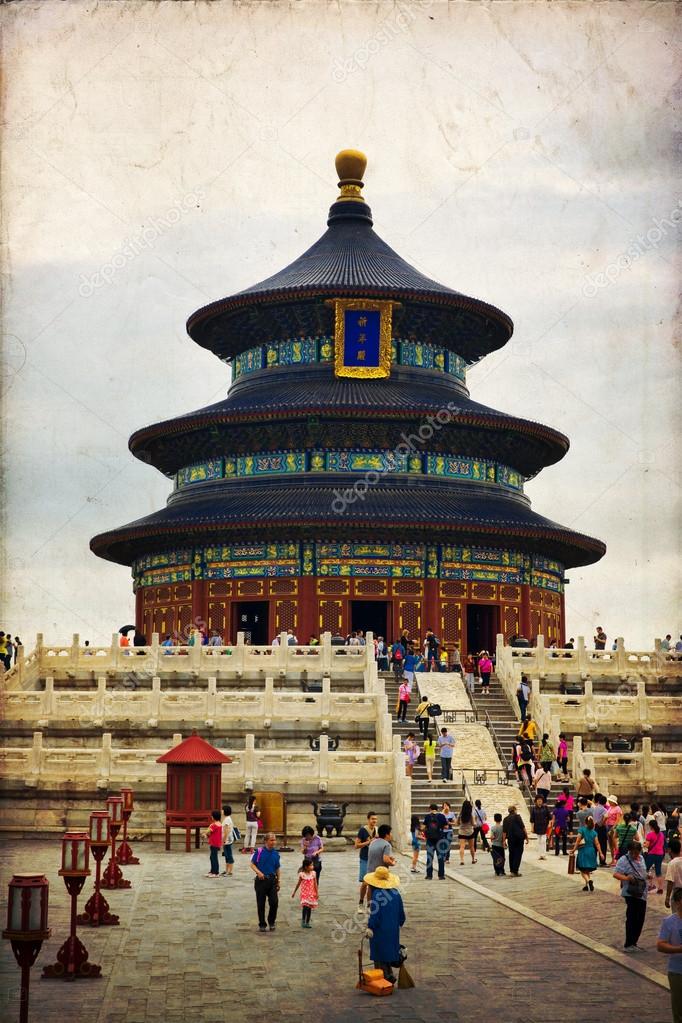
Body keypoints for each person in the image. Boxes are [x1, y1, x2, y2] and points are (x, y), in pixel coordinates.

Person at [364, 865, 405, 985]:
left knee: (380, 954)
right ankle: (390, 974)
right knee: (389, 952)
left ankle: (384, 978)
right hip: (393, 929)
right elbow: (401, 914)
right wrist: (399, 923)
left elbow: (375, 915)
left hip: (380, 929)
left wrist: (370, 927)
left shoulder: (377, 894)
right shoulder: (396, 893)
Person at [613, 839, 648, 951]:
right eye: (632, 852)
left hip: (641, 892)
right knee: (632, 916)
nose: (634, 855)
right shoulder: (624, 860)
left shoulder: (641, 858)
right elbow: (616, 874)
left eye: (636, 852)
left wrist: (647, 876)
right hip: (630, 892)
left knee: (640, 917)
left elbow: (642, 872)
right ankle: (629, 943)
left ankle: (634, 942)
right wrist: (626, 878)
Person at [657, 887, 682, 1023]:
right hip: (677, 972)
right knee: (679, 1009)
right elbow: (660, 945)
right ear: (678, 903)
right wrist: (678, 949)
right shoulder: (669, 922)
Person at [250, 832, 281, 932]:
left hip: (272, 880)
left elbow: (277, 868)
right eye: (271, 840)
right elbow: (252, 864)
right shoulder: (259, 852)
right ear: (266, 841)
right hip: (261, 881)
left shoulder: (276, 854)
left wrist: (278, 881)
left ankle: (271, 921)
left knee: (274, 902)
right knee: (261, 903)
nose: (273, 842)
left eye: (274, 840)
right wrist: (258, 872)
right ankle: (262, 924)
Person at [572, 815, 602, 892]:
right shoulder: (594, 832)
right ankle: (586, 885)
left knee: (582, 869)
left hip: (583, 850)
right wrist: (601, 853)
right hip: (591, 850)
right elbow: (597, 843)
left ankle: (589, 881)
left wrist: (574, 849)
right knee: (587, 869)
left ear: (585, 822)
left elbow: (578, 841)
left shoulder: (581, 830)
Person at [355, 811, 378, 908]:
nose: (374, 821)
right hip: (364, 858)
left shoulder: (377, 830)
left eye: (376, 819)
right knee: (365, 882)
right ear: (368, 819)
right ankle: (361, 901)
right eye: (373, 819)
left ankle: (369, 904)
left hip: (374, 859)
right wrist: (368, 842)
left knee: (372, 882)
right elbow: (356, 845)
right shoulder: (363, 830)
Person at [291, 856, 318, 929]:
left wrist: (316, 893)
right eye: (311, 865)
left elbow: (315, 883)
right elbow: (298, 883)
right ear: (306, 867)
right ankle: (303, 921)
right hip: (304, 893)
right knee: (305, 907)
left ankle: (307, 922)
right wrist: (294, 892)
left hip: (311, 893)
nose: (313, 866)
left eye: (312, 865)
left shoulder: (313, 873)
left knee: (309, 908)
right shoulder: (302, 874)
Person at [423, 802, 448, 880]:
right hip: (440, 839)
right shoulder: (442, 816)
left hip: (430, 840)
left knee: (429, 857)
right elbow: (446, 827)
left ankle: (429, 875)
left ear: (430, 809)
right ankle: (441, 875)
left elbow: (423, 827)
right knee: (440, 857)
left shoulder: (427, 817)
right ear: (437, 809)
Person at [502, 805, 528, 876]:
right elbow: (523, 827)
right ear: (514, 810)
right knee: (518, 853)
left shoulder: (505, 819)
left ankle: (512, 871)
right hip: (519, 838)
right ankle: (515, 871)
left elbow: (504, 831)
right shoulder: (517, 817)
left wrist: (503, 841)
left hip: (510, 838)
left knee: (512, 853)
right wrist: (527, 837)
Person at [644, 819, 665, 895]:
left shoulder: (650, 835)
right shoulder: (661, 834)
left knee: (645, 869)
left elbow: (647, 845)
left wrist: (644, 844)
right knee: (658, 872)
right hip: (660, 854)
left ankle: (648, 885)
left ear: (650, 826)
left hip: (652, 854)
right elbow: (662, 844)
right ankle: (660, 888)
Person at [530, 795, 551, 860]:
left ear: (542, 801)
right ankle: (540, 855)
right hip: (537, 826)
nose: (539, 801)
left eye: (540, 800)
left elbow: (550, 817)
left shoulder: (545, 808)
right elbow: (532, 819)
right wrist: (532, 828)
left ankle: (544, 854)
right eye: (538, 800)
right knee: (539, 841)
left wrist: (549, 824)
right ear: (536, 801)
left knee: (543, 840)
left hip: (544, 826)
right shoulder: (534, 809)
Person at [592, 793, 609, 867]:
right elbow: (605, 817)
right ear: (605, 802)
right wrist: (602, 823)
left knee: (595, 843)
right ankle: (602, 861)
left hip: (595, 827)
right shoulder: (604, 809)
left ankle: (594, 861)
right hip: (601, 827)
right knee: (603, 844)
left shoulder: (595, 808)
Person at [457, 800, 476, 865]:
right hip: (470, 832)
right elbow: (473, 824)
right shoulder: (471, 814)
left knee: (462, 847)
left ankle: (462, 860)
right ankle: (473, 859)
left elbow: (457, 823)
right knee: (472, 847)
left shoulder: (460, 814)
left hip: (462, 832)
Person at [666, 838, 682, 909]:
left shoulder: (672, 864)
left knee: (677, 916)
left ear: (669, 850)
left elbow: (670, 882)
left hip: (678, 893)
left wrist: (667, 897)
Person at [206, 809, 222, 878]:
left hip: (213, 843)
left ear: (213, 817)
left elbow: (208, 832)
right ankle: (212, 871)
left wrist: (209, 827)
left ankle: (215, 872)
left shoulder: (214, 825)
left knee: (213, 858)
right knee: (213, 857)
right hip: (217, 843)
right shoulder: (220, 824)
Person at [221, 804, 235, 876]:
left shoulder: (227, 819)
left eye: (222, 809)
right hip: (227, 840)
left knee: (229, 855)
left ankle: (230, 871)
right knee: (226, 855)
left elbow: (226, 831)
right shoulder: (227, 818)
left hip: (227, 840)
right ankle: (226, 870)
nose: (221, 811)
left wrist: (224, 840)